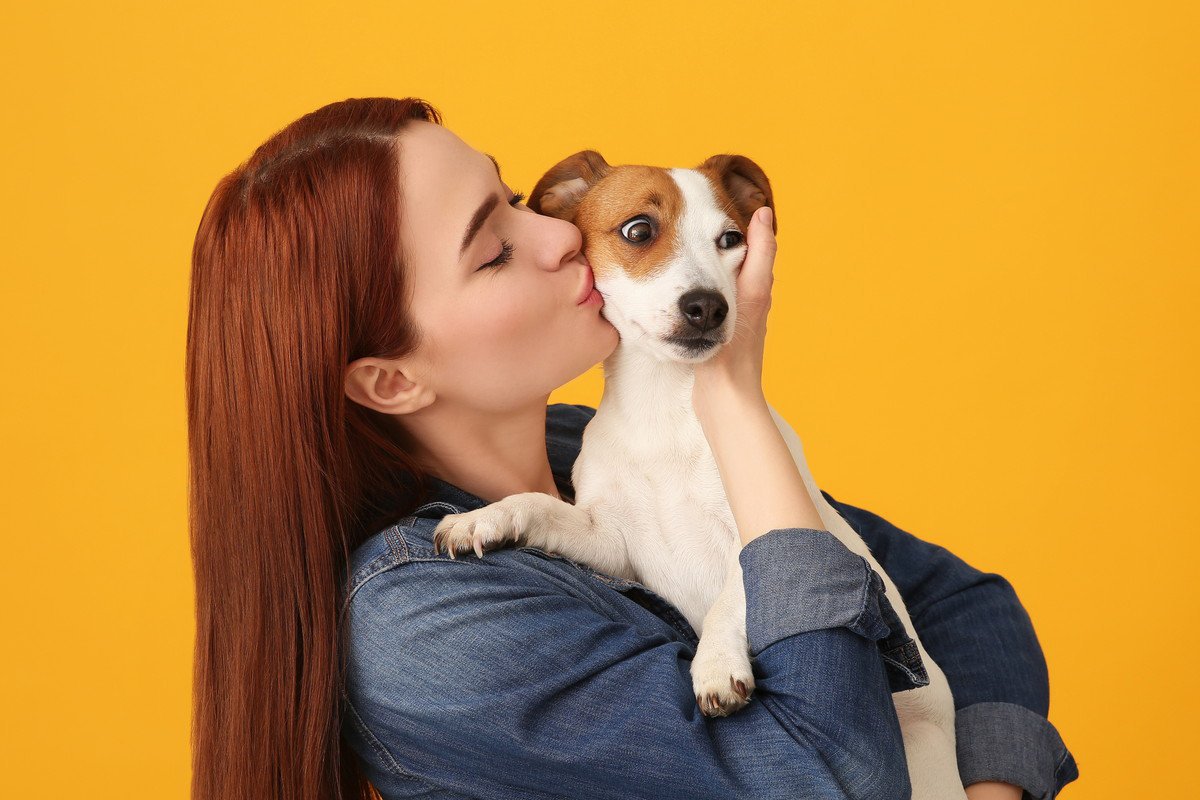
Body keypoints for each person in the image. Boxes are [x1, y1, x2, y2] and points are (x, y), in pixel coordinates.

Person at [186, 97, 1078, 800]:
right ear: (391, 380)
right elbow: (836, 782)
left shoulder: (592, 447)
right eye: (495, 248)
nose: (559, 233)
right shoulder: (420, 630)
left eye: (512, 199)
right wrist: (733, 397)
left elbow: (966, 606)